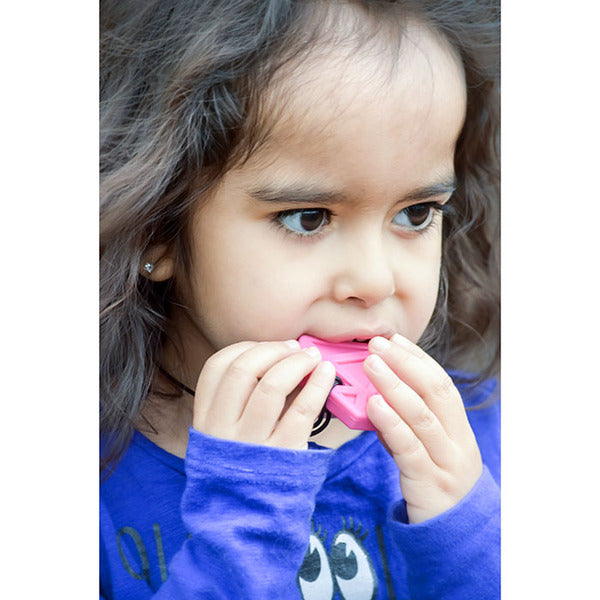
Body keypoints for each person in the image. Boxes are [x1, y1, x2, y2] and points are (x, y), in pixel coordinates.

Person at [100, 0, 500, 598]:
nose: (377, 280)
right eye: (308, 218)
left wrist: (468, 533)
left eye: (416, 214)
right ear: (158, 226)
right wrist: (245, 522)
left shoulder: (479, 431)